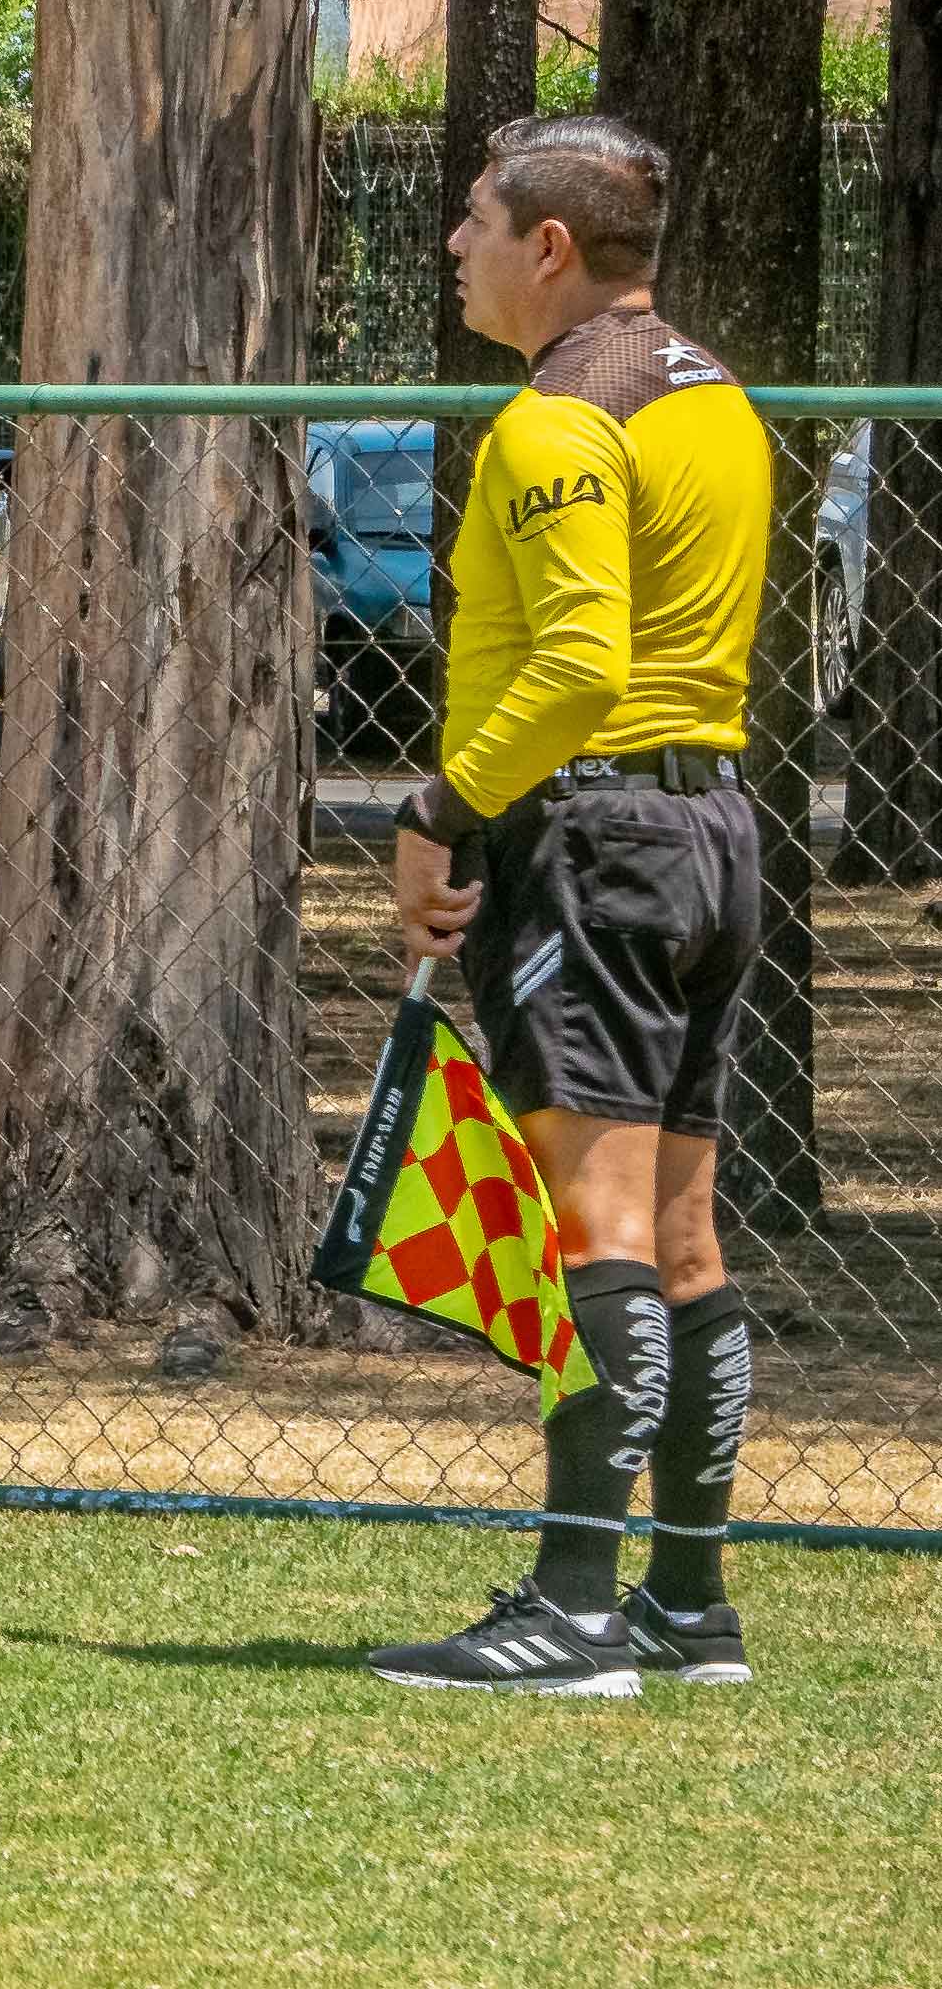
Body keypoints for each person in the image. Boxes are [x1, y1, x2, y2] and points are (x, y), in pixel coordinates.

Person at [372, 114, 769, 1696]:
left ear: (549, 247)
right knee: (683, 1236)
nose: (455, 246)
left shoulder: (554, 421)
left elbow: (582, 664)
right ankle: (689, 1606)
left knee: (594, 1232)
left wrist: (439, 810)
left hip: (593, 844)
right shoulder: (713, 392)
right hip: (713, 832)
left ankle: (575, 1611)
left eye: (476, 219)